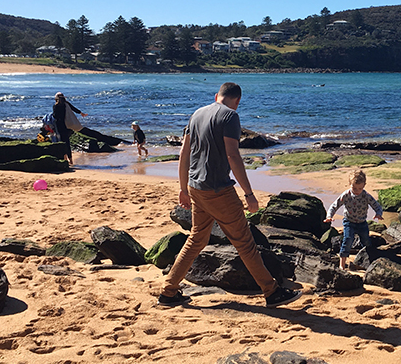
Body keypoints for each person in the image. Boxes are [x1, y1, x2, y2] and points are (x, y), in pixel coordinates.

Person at [159, 82, 302, 308]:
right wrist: (249, 194)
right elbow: (233, 156)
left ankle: (168, 292)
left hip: (196, 188)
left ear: (217, 95)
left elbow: (183, 152)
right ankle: (272, 291)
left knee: (196, 239)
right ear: (237, 101)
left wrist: (183, 188)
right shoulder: (230, 117)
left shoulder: (197, 114)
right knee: (244, 243)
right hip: (218, 190)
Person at [324, 169, 384, 270]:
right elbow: (334, 206)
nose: (356, 191)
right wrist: (329, 216)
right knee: (347, 240)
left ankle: (368, 261)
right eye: (354, 188)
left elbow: (377, 206)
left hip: (362, 223)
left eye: (359, 188)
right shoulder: (346, 195)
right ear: (349, 184)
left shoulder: (366, 196)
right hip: (349, 222)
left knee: (366, 242)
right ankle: (342, 265)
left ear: (364, 185)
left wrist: (378, 214)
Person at [53, 92, 86, 166]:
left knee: (61, 142)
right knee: (67, 142)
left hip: (60, 126)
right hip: (68, 126)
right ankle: (71, 160)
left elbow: (55, 116)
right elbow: (74, 109)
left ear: (56, 98)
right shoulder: (66, 104)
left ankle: (65, 158)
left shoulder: (56, 106)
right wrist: (81, 113)